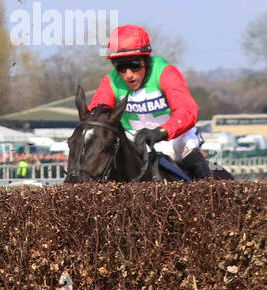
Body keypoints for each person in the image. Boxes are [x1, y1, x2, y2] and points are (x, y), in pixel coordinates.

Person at [87, 24, 211, 179]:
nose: (128, 75)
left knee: (192, 157)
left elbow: (187, 111)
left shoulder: (165, 72)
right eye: (121, 67)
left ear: (146, 59)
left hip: (174, 138)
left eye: (135, 65)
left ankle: (212, 196)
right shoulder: (111, 81)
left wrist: (161, 132)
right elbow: (96, 113)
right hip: (135, 141)